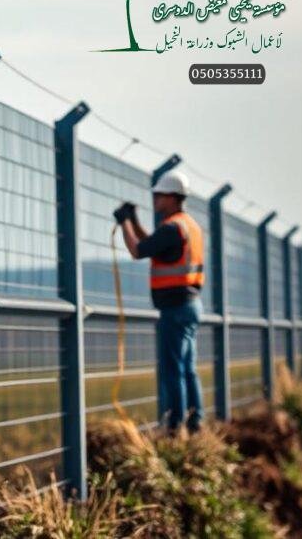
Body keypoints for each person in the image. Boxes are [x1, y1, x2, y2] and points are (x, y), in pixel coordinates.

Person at [113, 170, 205, 433]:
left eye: (159, 195)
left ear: (173, 197)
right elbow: (152, 243)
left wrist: (124, 223)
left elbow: (138, 250)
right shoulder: (187, 225)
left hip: (175, 309)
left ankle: (176, 426)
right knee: (188, 368)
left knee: (173, 368)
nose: (155, 199)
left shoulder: (173, 227)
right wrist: (134, 220)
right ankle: (196, 422)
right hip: (190, 304)